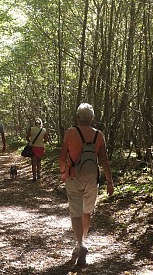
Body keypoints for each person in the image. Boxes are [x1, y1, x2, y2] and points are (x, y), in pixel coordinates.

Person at [59, 103, 114, 266]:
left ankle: (80, 244)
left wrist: (63, 173)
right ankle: (81, 242)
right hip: (92, 178)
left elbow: (62, 156)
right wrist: (109, 182)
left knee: (75, 212)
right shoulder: (99, 135)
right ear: (92, 118)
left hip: (73, 176)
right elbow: (104, 160)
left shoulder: (70, 132)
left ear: (78, 117)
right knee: (86, 212)